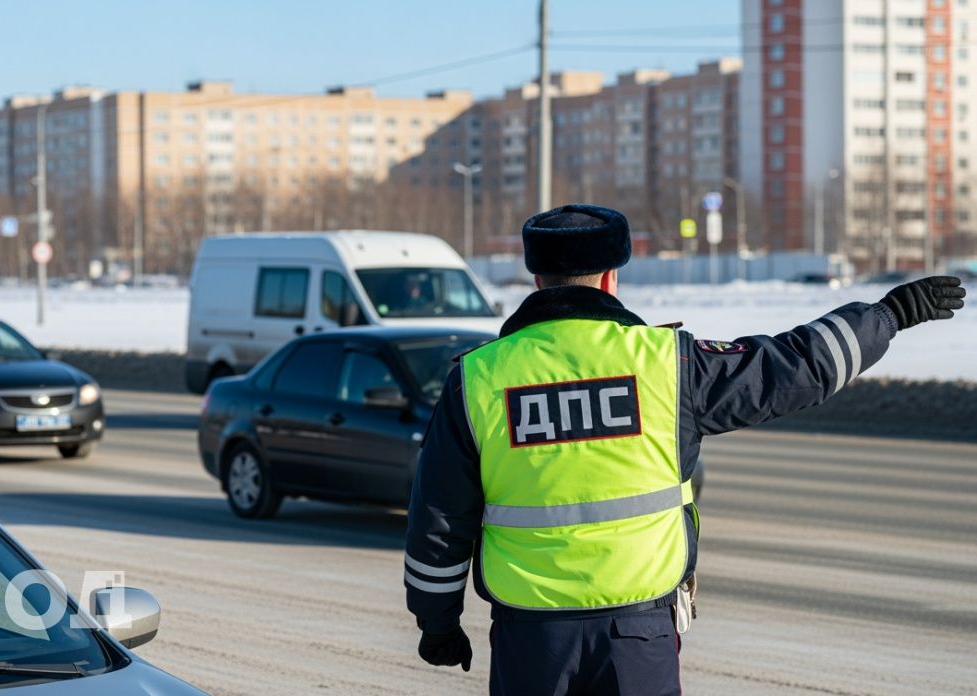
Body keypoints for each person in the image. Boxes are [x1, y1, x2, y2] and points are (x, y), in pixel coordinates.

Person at [403, 204, 965, 695]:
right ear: (610, 278)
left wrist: (437, 623)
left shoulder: (478, 378)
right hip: (638, 634)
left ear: (537, 278)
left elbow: (439, 518)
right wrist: (887, 316)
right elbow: (791, 368)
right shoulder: (667, 363)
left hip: (531, 637)